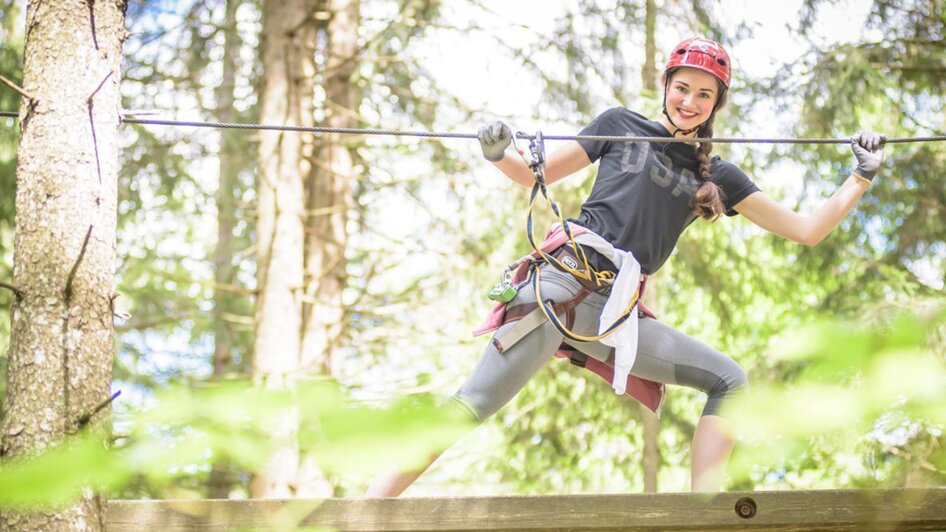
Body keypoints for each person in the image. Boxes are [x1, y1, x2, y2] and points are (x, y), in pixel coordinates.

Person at [366, 37, 885, 496]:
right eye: (683, 88)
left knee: (730, 381)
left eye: (705, 95)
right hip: (558, 286)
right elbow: (530, 175)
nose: (690, 101)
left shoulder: (719, 176)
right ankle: (366, 508)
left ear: (715, 105)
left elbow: (807, 229)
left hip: (614, 318)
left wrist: (859, 178)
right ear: (666, 86)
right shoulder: (620, 125)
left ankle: (704, 512)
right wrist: (499, 153)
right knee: (473, 403)